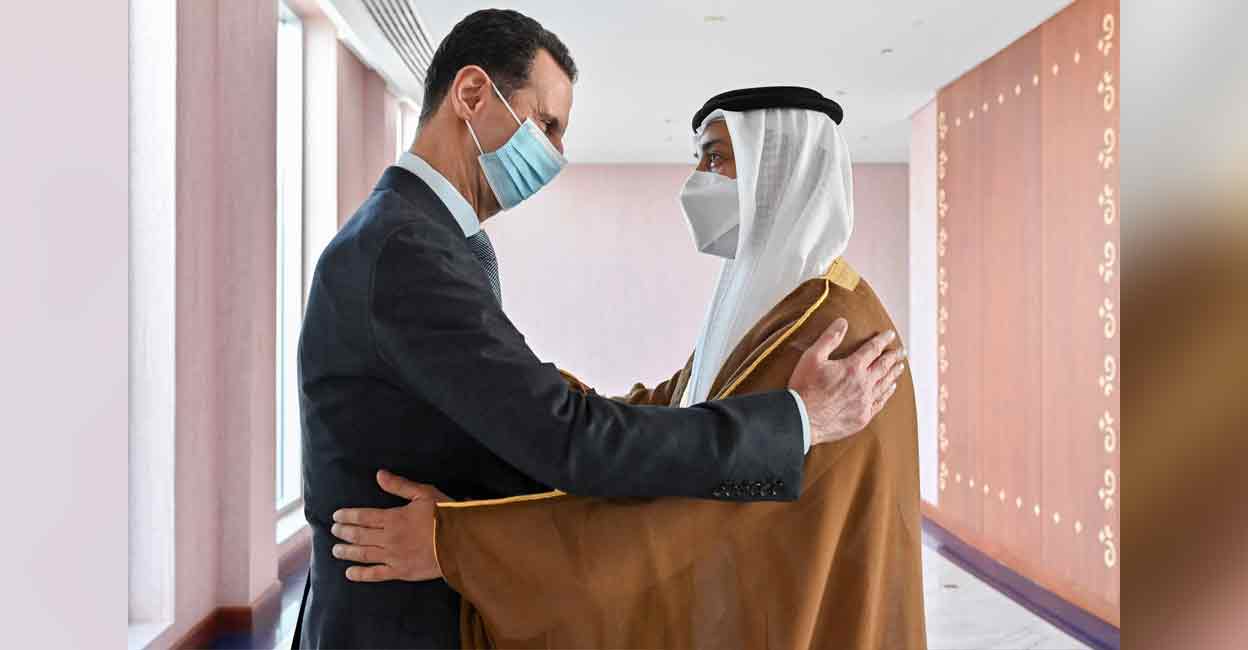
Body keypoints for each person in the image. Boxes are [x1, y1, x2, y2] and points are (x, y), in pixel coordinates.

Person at [292, 7, 906, 648]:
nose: (555, 156)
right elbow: (566, 439)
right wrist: (798, 420)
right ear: (472, 93)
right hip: (396, 621)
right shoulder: (410, 248)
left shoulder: (431, 237)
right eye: (547, 125)